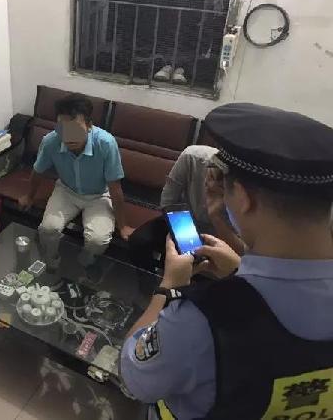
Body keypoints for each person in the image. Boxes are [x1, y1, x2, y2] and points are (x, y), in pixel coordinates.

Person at [120, 103, 333, 419]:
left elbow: (133, 377)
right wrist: (235, 261)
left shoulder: (198, 320)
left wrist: (169, 287)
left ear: (243, 199)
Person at [18, 94, 133, 269]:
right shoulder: (51, 141)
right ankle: (51, 262)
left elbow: (115, 187)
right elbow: (38, 171)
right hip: (66, 190)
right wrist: (29, 196)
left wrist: (123, 225)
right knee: (48, 228)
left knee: (97, 240)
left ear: (89, 125)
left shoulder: (106, 143)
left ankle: (85, 264)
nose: (69, 136)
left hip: (98, 195)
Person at [161, 144, 245, 254]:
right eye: (211, 176)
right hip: (183, 230)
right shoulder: (191, 157)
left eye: (220, 186)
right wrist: (187, 246)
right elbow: (167, 204)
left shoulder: (248, 191)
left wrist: (216, 217)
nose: (211, 185)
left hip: (223, 245)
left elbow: (242, 252)